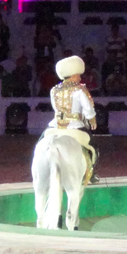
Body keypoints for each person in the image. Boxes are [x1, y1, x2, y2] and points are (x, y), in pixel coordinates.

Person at [48, 54, 99, 184]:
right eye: (78, 75)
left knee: (41, 142)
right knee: (93, 147)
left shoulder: (54, 90)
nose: (80, 78)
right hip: (75, 125)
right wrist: (92, 119)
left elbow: (55, 107)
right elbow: (88, 108)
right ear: (73, 75)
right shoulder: (79, 90)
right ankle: (91, 174)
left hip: (55, 125)